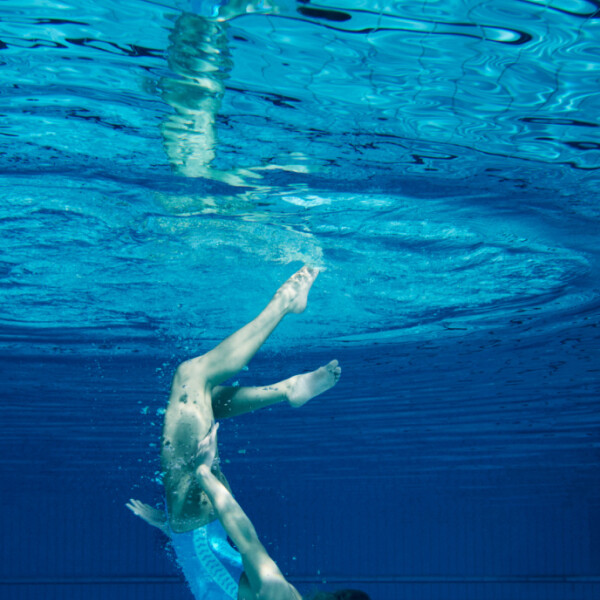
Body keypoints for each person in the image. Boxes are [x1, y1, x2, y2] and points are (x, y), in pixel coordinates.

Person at [127, 266, 370, 600]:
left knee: (196, 382)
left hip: (199, 520)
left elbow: (246, 540)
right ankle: (287, 383)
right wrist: (184, 514)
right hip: (196, 519)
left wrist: (200, 475)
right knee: (194, 385)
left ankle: (285, 307)